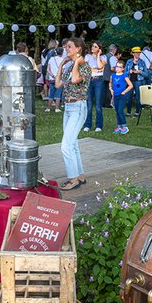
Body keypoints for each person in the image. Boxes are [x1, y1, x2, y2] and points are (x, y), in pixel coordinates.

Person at [55, 37, 91, 190]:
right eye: (66, 47)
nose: (66, 49)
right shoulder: (69, 66)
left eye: (70, 47)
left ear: (78, 49)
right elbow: (58, 84)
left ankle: (73, 179)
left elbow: (76, 79)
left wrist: (76, 62)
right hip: (68, 108)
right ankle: (80, 175)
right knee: (73, 143)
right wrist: (62, 65)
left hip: (78, 106)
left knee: (66, 145)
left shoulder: (84, 66)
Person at [83, 41, 108, 132]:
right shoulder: (87, 56)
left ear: (99, 49)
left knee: (98, 105)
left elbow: (100, 66)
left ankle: (99, 125)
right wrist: (93, 68)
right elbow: (85, 68)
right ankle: (87, 125)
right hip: (89, 80)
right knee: (88, 104)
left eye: (95, 47)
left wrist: (98, 56)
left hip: (99, 81)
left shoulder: (103, 57)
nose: (93, 48)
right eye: (92, 46)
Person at [110, 60, 132, 134]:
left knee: (120, 111)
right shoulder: (113, 75)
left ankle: (125, 126)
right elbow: (110, 83)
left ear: (123, 68)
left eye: (120, 67)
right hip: (115, 95)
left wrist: (124, 92)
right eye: (117, 66)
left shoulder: (124, 75)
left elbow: (130, 85)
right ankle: (119, 126)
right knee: (117, 111)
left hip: (122, 96)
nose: (118, 68)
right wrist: (110, 89)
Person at [125, 47, 148, 117]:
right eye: (136, 53)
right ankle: (128, 112)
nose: (138, 54)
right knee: (129, 97)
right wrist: (129, 72)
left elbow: (146, 74)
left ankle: (137, 112)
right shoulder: (129, 62)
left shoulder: (142, 62)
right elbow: (124, 73)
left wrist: (139, 72)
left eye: (139, 53)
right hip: (130, 81)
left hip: (139, 81)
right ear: (133, 54)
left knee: (138, 98)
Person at [45, 47, 63, 113]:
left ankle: (48, 108)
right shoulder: (62, 60)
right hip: (59, 79)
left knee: (51, 94)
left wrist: (52, 75)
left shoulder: (51, 59)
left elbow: (48, 69)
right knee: (58, 94)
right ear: (62, 53)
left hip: (51, 79)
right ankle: (57, 108)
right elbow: (62, 71)